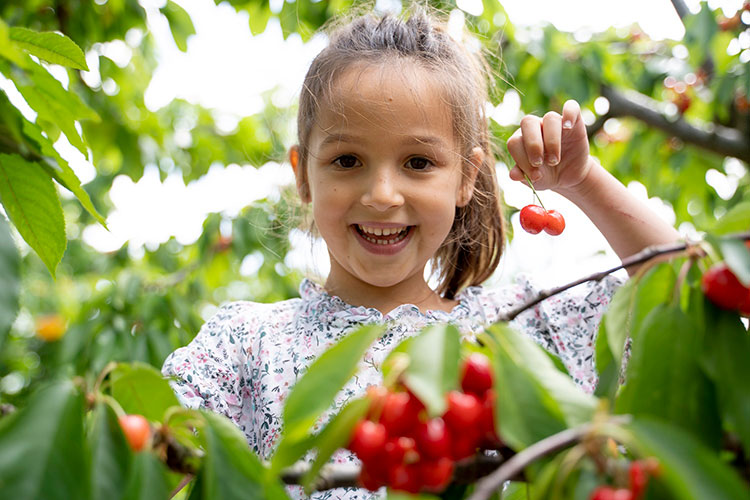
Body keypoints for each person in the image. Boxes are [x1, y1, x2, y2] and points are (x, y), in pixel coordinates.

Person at [161, 6, 680, 499]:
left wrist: (583, 181)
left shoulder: (520, 334)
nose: (382, 194)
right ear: (303, 176)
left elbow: (685, 297)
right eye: (346, 160)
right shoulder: (246, 345)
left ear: (466, 177)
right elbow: (133, 465)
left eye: (417, 162)